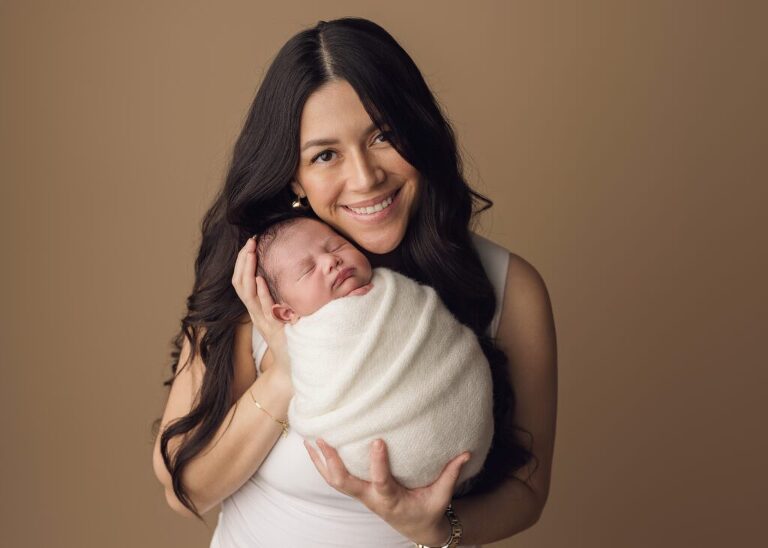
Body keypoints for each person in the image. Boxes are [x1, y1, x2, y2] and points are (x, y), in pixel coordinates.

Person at [151, 16, 557, 548]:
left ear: (420, 134)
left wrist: (436, 529)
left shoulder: (510, 287)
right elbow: (186, 492)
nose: (365, 178)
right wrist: (286, 368)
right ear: (294, 176)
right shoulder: (264, 284)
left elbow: (527, 492)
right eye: (325, 155)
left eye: (384, 137)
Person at [253, 214, 495, 492]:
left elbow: (443, 337)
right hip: (380, 440)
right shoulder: (309, 339)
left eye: (336, 247)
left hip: (459, 402)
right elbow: (316, 398)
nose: (331, 261)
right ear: (287, 312)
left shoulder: (394, 288)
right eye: (308, 270)